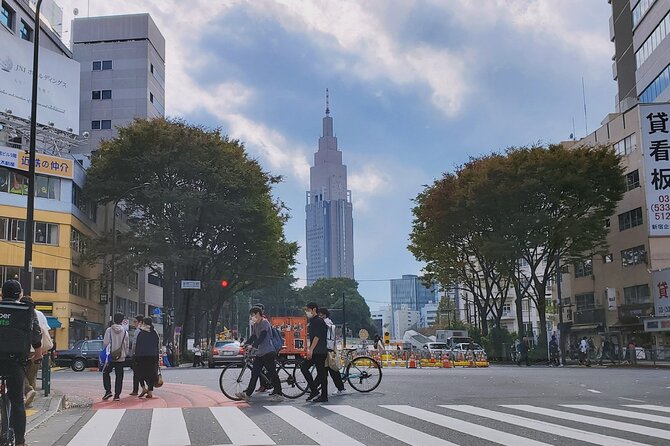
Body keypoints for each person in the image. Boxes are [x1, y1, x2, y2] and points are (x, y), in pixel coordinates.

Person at [0, 280, 42, 446]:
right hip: (15, 362)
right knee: (17, 401)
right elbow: (37, 340)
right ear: (20, 294)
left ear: (2, 294)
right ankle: (20, 442)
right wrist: (37, 356)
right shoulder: (26, 310)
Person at [235, 307, 283, 402]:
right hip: (260, 353)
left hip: (268, 352)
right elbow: (253, 336)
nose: (252, 317)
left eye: (253, 315)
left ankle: (279, 394)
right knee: (255, 373)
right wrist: (246, 344)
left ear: (258, 314)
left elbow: (263, 336)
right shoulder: (256, 325)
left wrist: (253, 346)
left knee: (272, 373)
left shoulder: (264, 322)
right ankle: (247, 394)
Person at [20, 296, 52, 408]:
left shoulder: (19, 312)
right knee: (31, 376)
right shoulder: (40, 314)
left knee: (19, 372)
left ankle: (27, 393)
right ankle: (29, 401)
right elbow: (45, 332)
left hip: (22, 349)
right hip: (37, 350)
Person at [300, 302, 329, 403]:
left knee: (321, 373)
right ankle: (315, 390)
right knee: (319, 373)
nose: (307, 312)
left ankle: (322, 394)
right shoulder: (314, 321)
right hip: (318, 350)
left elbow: (317, 337)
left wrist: (310, 350)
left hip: (319, 351)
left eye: (308, 310)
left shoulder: (317, 321)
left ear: (314, 309)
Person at [318, 308, 346, 395]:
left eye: (320, 314)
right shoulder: (329, 322)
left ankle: (314, 387)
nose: (319, 316)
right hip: (330, 348)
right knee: (330, 370)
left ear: (324, 315)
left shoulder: (325, 323)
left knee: (327, 370)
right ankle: (340, 388)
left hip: (327, 349)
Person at [102, 313, 129, 401]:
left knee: (106, 373)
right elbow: (127, 345)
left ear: (114, 319)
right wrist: (124, 354)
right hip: (121, 357)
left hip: (110, 357)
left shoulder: (109, 330)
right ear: (122, 320)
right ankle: (117, 395)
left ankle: (108, 391)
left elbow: (105, 343)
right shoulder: (125, 332)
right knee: (119, 376)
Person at [134, 317, 160, 399]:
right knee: (151, 374)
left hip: (142, 356)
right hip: (152, 356)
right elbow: (157, 345)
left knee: (140, 372)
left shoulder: (141, 332)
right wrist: (157, 356)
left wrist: (136, 356)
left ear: (144, 323)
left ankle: (144, 388)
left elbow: (137, 346)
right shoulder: (154, 332)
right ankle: (150, 391)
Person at [129, 315, 147, 396]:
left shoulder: (137, 331)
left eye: (135, 322)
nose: (134, 324)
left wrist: (132, 353)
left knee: (136, 373)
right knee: (144, 372)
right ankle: (147, 389)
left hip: (137, 355)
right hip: (146, 355)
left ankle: (137, 390)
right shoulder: (147, 330)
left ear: (140, 322)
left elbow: (134, 343)